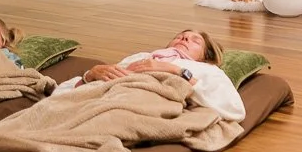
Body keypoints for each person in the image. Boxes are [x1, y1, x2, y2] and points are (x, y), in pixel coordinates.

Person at [54, 28, 245, 121]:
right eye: (180, 35)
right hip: (105, 95)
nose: (184, 38)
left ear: (205, 57)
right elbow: (62, 93)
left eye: (195, 41)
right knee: (53, 110)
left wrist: (175, 71)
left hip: (138, 104)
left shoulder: (206, 70)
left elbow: (235, 110)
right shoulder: (144, 57)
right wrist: (91, 74)